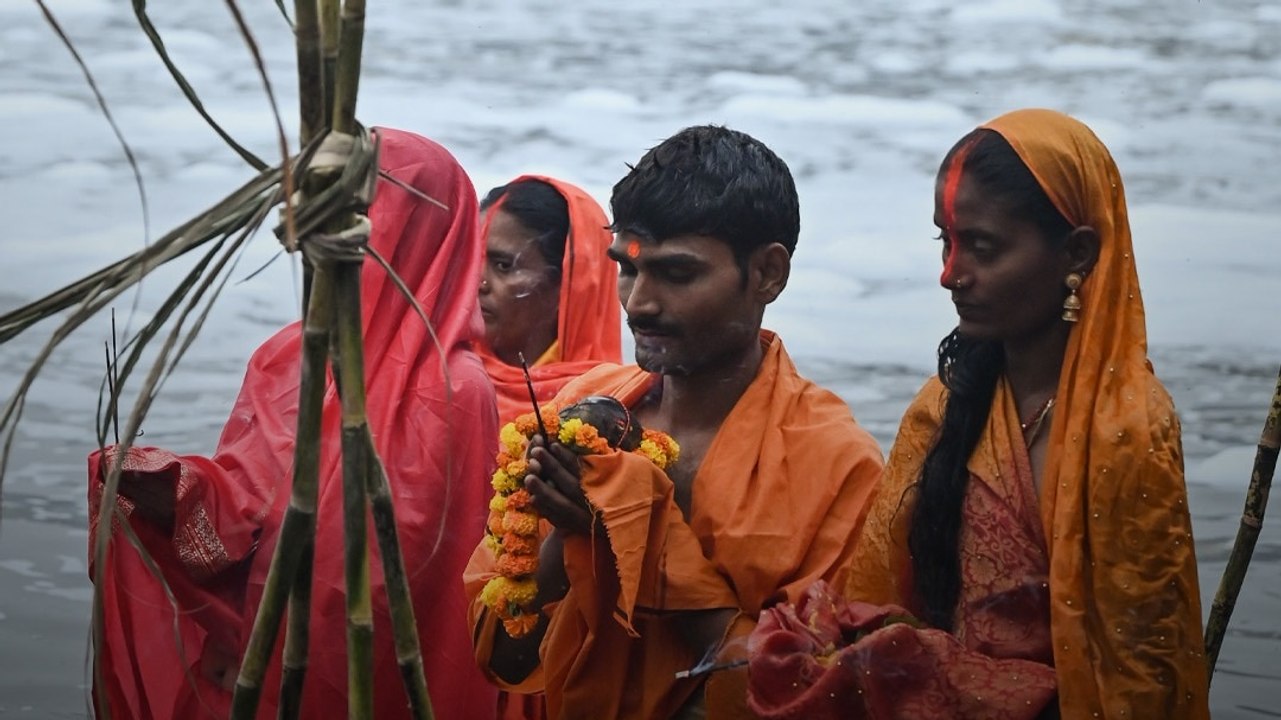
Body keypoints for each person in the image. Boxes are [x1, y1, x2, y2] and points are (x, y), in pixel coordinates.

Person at [747, 109, 1210, 719]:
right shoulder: (941, 406)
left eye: (983, 248)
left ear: (1077, 253)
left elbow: (1137, 671)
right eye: (946, 240)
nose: (950, 275)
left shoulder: (1128, 430)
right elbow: (877, 598)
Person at [463, 124, 884, 719]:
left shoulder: (838, 462)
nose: (639, 303)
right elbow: (499, 661)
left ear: (768, 273)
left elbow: (811, 693)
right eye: (628, 269)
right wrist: (566, 544)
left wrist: (634, 528)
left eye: (678, 274)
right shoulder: (579, 413)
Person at [86, 129, 500, 719]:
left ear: (416, 230)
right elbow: (247, 512)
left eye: (358, 213)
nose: (325, 233)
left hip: (356, 676)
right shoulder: (289, 355)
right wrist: (177, 493)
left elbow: (405, 580)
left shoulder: (452, 387)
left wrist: (279, 649)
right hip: (260, 650)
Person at [476, 176, 622, 422]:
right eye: (472, 258)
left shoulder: (612, 410)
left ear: (568, 285)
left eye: (503, 265)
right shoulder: (436, 379)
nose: (478, 282)